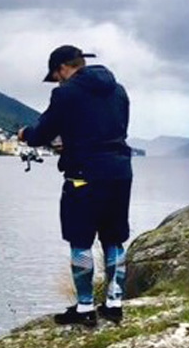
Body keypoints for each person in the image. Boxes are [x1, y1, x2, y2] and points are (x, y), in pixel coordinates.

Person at [18, 45, 132, 328]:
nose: (57, 82)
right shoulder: (119, 91)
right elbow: (115, 130)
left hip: (83, 176)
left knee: (80, 240)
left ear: (63, 69)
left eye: (56, 76)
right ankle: (114, 303)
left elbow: (43, 132)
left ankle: (84, 307)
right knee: (113, 238)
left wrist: (26, 135)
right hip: (120, 172)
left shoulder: (65, 93)